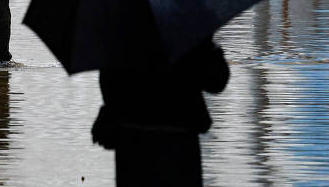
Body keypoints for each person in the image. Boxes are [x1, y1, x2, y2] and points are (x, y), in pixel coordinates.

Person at [91, 36, 230, 186]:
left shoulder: (120, 30)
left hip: (132, 144)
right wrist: (210, 45)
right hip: (180, 140)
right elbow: (217, 81)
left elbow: (109, 87)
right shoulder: (185, 30)